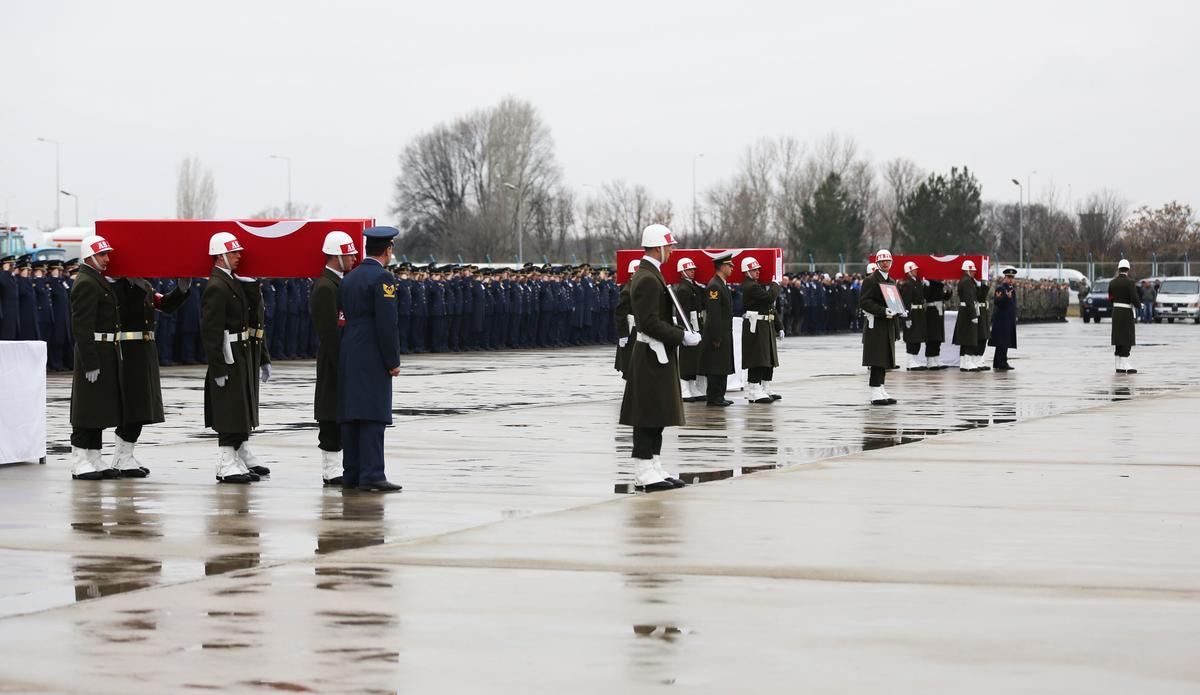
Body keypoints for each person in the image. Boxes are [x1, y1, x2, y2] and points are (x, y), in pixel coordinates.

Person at [618, 224, 699, 492]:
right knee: (647, 413)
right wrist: (680, 336)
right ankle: (643, 469)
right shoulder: (647, 278)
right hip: (651, 354)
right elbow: (649, 322)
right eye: (670, 246)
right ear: (658, 246)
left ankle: (653, 463)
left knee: (658, 412)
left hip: (658, 354)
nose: (673, 250)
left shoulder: (653, 274)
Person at [337, 226, 403, 492]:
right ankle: (373, 473)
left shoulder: (348, 279)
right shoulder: (383, 279)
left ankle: (351, 472)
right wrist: (392, 360)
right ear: (388, 250)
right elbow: (387, 324)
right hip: (372, 350)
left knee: (351, 413)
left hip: (350, 347)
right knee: (373, 413)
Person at [109, 275, 190, 476]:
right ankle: (121, 456)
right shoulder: (116, 287)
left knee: (143, 404)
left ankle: (125, 453)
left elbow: (164, 304)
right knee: (133, 404)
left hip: (144, 350)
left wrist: (181, 290)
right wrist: (136, 288)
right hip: (128, 351)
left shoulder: (144, 285)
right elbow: (124, 313)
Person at [201, 231, 264, 484]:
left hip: (240, 351)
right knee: (229, 406)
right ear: (220, 255)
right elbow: (211, 331)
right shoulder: (216, 286)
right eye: (234, 252)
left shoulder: (230, 280)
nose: (239, 256)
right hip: (227, 354)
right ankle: (225, 463)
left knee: (239, 405)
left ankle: (235, 456)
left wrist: (250, 284)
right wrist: (217, 367)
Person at [68, 235, 124, 480]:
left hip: (105, 350)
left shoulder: (96, 280)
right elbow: (82, 326)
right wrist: (90, 361)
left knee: (99, 406)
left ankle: (94, 456)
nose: (107, 259)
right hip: (93, 351)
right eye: (102, 255)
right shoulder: (86, 282)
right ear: (89, 256)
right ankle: (80, 459)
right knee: (86, 407)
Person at [311, 230, 358, 486]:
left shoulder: (338, 282)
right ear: (337, 256)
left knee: (340, 412)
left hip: (342, 358)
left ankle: (338, 466)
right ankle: (330, 469)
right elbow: (329, 333)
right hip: (333, 361)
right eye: (349, 254)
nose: (353, 259)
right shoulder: (325, 287)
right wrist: (342, 364)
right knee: (329, 413)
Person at [858, 249, 899, 405]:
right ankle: (875, 390)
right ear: (877, 263)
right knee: (876, 357)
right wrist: (883, 310)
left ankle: (881, 387)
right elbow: (865, 302)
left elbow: (894, 301)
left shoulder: (891, 281)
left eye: (888, 261)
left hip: (887, 322)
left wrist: (899, 311)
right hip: (876, 323)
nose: (886, 264)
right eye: (882, 261)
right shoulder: (871, 280)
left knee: (885, 357)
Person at [740, 257, 782, 404]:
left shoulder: (756, 285)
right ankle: (753, 389)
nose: (757, 272)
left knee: (767, 357)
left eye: (758, 269)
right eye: (754, 270)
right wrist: (775, 284)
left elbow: (770, 307)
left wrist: (779, 326)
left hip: (764, 324)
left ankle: (764, 386)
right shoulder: (750, 286)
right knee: (757, 358)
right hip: (755, 325)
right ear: (746, 272)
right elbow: (770, 297)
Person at [699, 252, 735, 407]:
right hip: (718, 333)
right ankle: (714, 397)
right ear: (722, 267)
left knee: (723, 365)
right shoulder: (714, 285)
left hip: (724, 332)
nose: (732, 268)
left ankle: (720, 395)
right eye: (730, 265)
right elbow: (714, 314)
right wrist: (716, 336)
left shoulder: (721, 284)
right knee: (716, 366)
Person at [673, 257, 705, 402]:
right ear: (682, 271)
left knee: (694, 357)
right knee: (687, 358)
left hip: (696, 324)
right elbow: (681, 312)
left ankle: (692, 385)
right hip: (689, 325)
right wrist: (685, 330)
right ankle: (684, 386)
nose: (693, 272)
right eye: (689, 270)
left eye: (693, 269)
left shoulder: (692, 286)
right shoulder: (683, 289)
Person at [1109, 259, 1139, 374]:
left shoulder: (1112, 282)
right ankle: (1125, 363)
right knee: (1127, 337)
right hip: (1126, 312)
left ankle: (1118, 365)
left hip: (1116, 312)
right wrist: (1139, 305)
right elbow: (1134, 298)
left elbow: (1110, 298)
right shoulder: (1130, 282)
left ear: (1119, 268)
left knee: (1118, 338)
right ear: (1128, 269)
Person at [898, 261, 927, 371]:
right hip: (912, 313)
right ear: (909, 271)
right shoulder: (908, 284)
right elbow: (906, 302)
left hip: (919, 313)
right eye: (913, 269)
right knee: (911, 338)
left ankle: (914, 359)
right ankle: (910, 361)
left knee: (918, 337)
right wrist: (907, 318)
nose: (916, 271)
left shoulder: (917, 282)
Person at [953, 260, 980, 372]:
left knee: (965, 338)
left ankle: (964, 362)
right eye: (972, 270)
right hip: (968, 312)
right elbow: (969, 298)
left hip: (965, 311)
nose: (974, 272)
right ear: (968, 270)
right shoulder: (967, 281)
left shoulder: (966, 280)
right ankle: (967, 361)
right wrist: (973, 315)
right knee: (969, 337)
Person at [613, 259, 639, 377]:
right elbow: (620, 314)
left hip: (637, 328)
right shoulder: (627, 290)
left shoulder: (637, 287)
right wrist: (623, 334)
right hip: (629, 329)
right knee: (628, 363)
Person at [989, 267, 1018, 370]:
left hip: (1008, 319)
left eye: (1012, 277)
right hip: (1002, 319)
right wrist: (1006, 297)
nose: (1010, 279)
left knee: (1004, 342)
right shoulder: (1001, 288)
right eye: (1008, 277)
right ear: (1004, 277)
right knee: (1002, 342)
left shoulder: (1012, 289)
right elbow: (997, 302)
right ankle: (1001, 362)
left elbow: (1013, 305)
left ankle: (999, 362)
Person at [922, 277, 952, 370]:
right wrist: (926, 285)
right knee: (932, 335)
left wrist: (949, 291)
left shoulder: (940, 283)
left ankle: (936, 357)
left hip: (939, 310)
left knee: (938, 336)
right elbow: (926, 295)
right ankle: (930, 359)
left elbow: (944, 297)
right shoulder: (929, 282)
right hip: (932, 311)